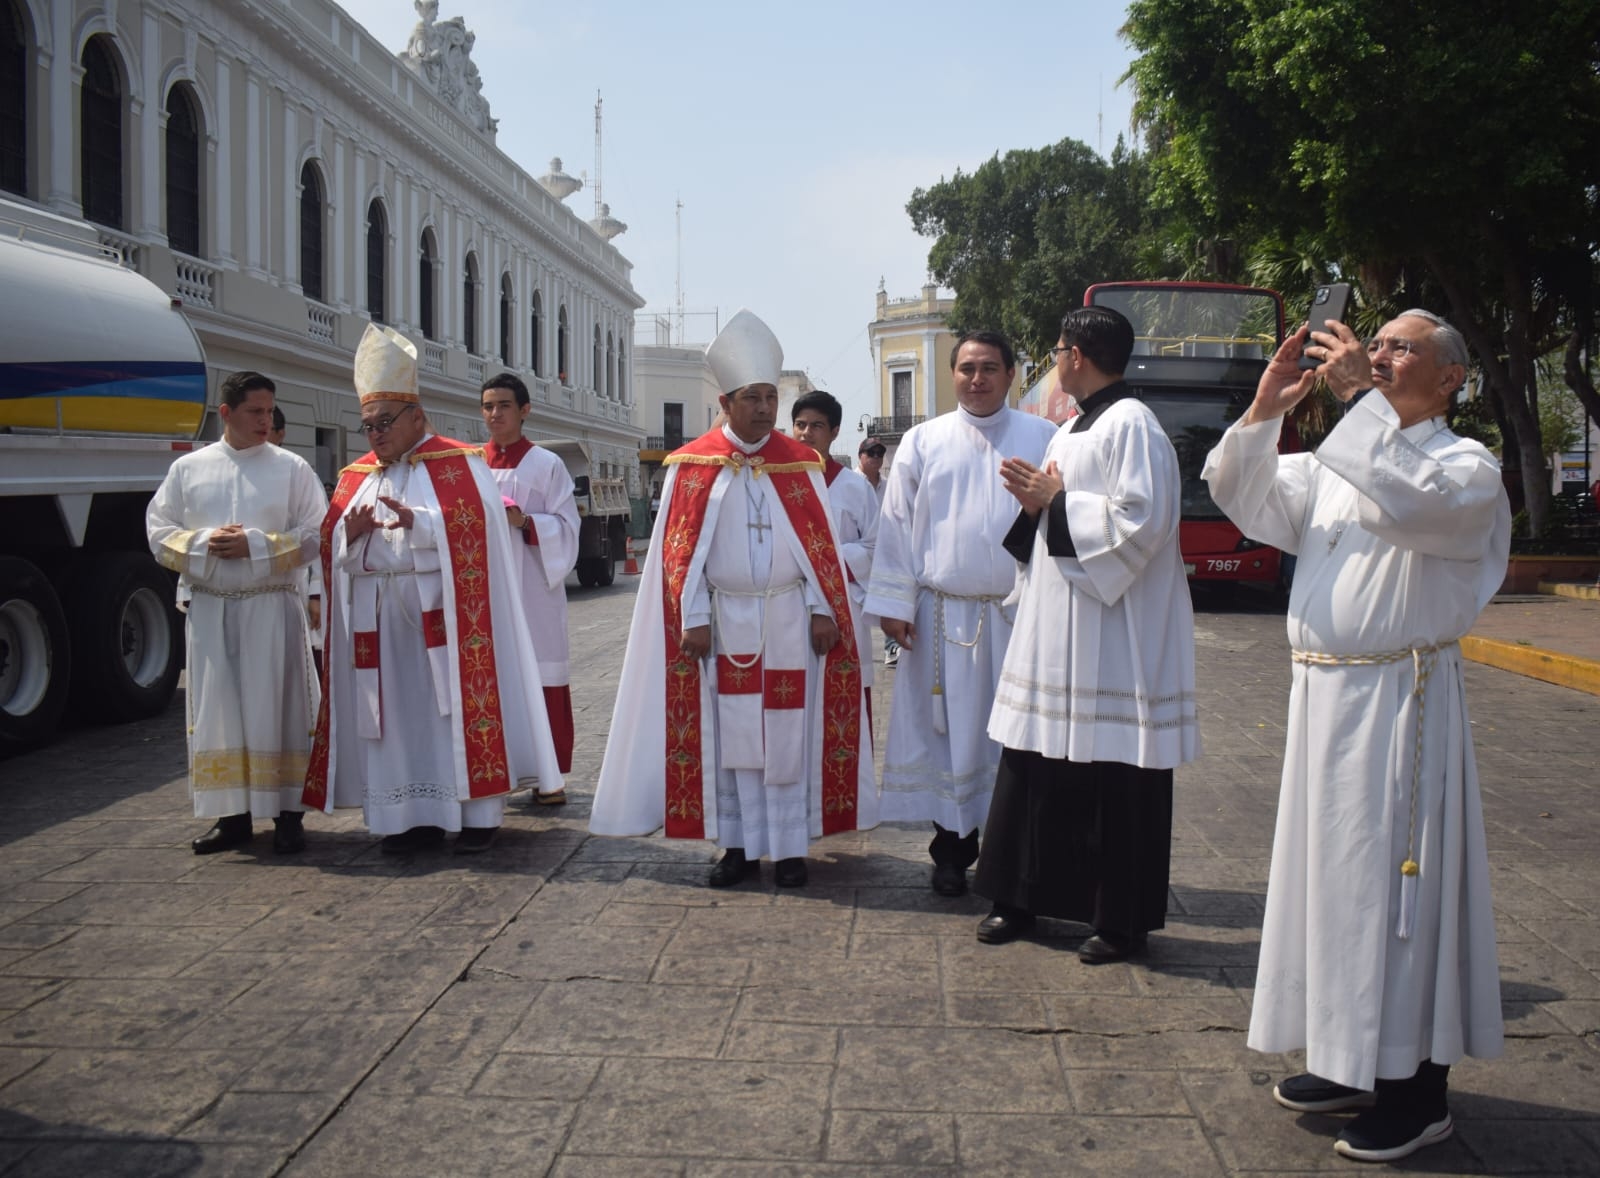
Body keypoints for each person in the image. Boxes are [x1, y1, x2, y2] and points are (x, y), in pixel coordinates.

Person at [1202, 309, 1510, 1163]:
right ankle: (1349, 1061)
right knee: (1329, 892)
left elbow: (1412, 503)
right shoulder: (1344, 460)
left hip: (1398, 706)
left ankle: (1417, 1091)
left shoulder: (1464, 465)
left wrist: (1353, 404)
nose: (1376, 355)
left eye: (1398, 347)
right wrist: (1265, 409)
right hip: (1323, 703)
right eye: (1373, 345)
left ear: (1449, 378)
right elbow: (1246, 494)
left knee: (1395, 899)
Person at [591, 309, 876, 888]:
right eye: (754, 398)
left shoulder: (802, 467)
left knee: (788, 732)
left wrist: (825, 610)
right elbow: (678, 555)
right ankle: (739, 846)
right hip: (722, 623)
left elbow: (818, 548)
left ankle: (791, 845)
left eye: (772, 398)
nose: (767, 409)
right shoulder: (691, 467)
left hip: (789, 617)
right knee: (732, 738)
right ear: (725, 401)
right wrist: (692, 620)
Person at [972, 307, 1200, 963]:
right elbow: (1046, 515)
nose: (1056, 358)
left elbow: (1143, 523)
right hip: (1058, 632)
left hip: (1115, 638)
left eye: (1059, 349)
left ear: (1077, 354)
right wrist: (1036, 509)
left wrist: (1056, 503)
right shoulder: (1072, 425)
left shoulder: (1134, 426)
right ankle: (1018, 897)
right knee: (1034, 765)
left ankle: (1119, 920)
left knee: (1117, 779)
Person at [303, 324, 564, 854]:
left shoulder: (459, 463)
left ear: (417, 417)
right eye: (368, 424)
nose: (375, 434)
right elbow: (330, 542)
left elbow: (481, 532)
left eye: (385, 422)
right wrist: (344, 538)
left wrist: (418, 523)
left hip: (445, 618)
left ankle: (477, 818)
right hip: (381, 622)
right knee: (395, 722)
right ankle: (408, 817)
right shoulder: (357, 475)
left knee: (452, 713)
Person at [863, 331, 1058, 895]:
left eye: (990, 368)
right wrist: (896, 608)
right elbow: (896, 527)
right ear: (953, 374)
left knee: (1014, 738)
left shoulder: (1044, 436)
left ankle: (1012, 858)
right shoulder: (923, 442)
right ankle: (950, 852)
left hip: (1017, 617)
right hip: (942, 617)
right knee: (945, 736)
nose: (978, 378)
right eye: (968, 368)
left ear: (1012, 374)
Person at [147, 371, 326, 854]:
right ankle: (233, 818)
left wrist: (255, 545)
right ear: (226, 413)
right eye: (255, 411)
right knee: (219, 713)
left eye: (269, 411)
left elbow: (317, 533)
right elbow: (158, 531)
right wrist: (206, 544)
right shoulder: (188, 470)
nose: (266, 420)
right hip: (212, 611)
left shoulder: (292, 468)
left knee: (281, 708)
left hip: (271, 607)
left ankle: (289, 815)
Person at [480, 371, 581, 799]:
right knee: (492, 679)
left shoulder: (546, 464)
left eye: (503, 405)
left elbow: (568, 526)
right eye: (487, 406)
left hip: (534, 585)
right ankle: (497, 770)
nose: (494, 414)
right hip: (487, 588)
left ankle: (548, 777)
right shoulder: (470, 464)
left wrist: (523, 521)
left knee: (541, 676)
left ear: (524, 410)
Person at [792, 391, 879, 695]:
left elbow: (874, 548)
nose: (806, 433)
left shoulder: (855, 487)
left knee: (842, 701)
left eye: (816, 426)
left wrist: (815, 561)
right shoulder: (777, 483)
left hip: (843, 607)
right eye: (800, 424)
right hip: (785, 607)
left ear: (834, 432)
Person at [268, 405, 324, 675]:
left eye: (267, 431)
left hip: (294, 586)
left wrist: (317, 593)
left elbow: (319, 533)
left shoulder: (298, 472)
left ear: (280, 434)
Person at [857, 436, 895, 665]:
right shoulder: (850, 483)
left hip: (885, 550)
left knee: (889, 598)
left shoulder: (889, 486)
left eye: (879, 454)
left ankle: (891, 646)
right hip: (859, 553)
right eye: (871, 453)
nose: (876, 458)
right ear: (860, 455)